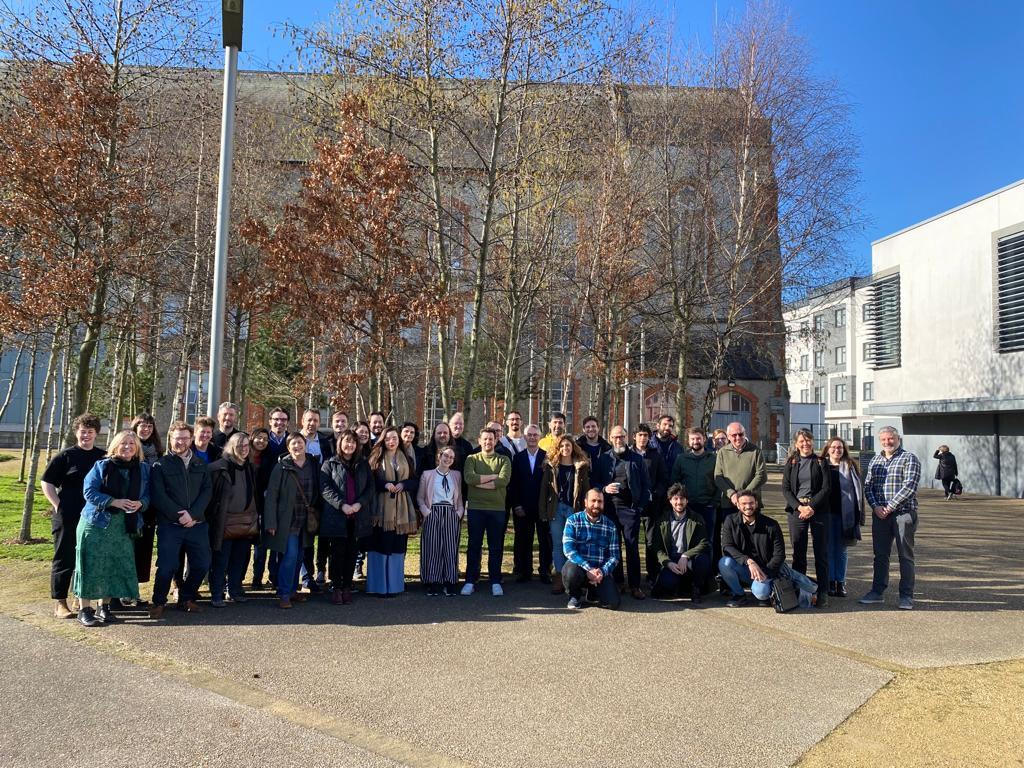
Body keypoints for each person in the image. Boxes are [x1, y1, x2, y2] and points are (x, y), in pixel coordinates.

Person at [73, 430, 150, 627]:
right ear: (115, 446)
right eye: (123, 443)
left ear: (137, 448)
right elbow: (88, 491)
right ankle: (84, 609)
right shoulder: (102, 466)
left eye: (132, 444)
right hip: (96, 523)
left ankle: (104, 607)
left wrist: (141, 503)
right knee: (90, 565)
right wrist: (113, 501)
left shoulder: (142, 469)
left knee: (112, 566)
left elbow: (149, 494)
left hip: (123, 527)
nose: (127, 447)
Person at [41, 414, 105, 619]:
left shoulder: (103, 457)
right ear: (76, 432)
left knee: (87, 558)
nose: (86, 435)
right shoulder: (65, 456)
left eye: (90, 431)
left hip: (93, 517)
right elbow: (47, 482)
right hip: (68, 515)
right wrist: (58, 505)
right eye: (82, 431)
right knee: (65, 557)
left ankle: (81, 597)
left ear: (96, 434)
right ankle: (60, 603)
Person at [149, 421, 213, 619]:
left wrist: (193, 515)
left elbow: (207, 491)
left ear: (191, 439)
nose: (181, 442)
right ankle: (159, 602)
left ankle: (186, 599)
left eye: (185, 438)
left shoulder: (200, 464)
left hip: (197, 525)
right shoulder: (160, 465)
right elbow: (159, 496)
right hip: (171, 525)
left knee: (202, 564)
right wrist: (180, 514)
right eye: (178, 438)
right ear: (171, 439)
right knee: (167, 566)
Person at [860, 426, 921, 610]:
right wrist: (876, 507)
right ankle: (877, 592)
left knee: (905, 556)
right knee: (880, 556)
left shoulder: (909, 459)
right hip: (880, 515)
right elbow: (868, 486)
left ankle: (906, 596)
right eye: (884, 440)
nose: (888, 442)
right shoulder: (875, 460)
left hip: (903, 514)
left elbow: (909, 486)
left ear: (898, 439)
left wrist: (890, 507)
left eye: (891, 439)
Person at [592, 425, 651, 599]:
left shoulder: (636, 459)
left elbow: (646, 485)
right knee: (613, 547)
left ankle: (635, 585)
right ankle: (617, 582)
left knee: (632, 547)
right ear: (610, 438)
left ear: (627, 438)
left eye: (622, 437)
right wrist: (604, 488)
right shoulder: (603, 459)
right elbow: (594, 482)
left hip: (629, 509)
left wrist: (639, 508)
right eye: (615, 437)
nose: (619, 440)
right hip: (609, 508)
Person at [263, 433, 321, 609]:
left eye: (300, 443)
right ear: (288, 448)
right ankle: (284, 593)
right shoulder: (281, 467)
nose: (297, 446)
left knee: (299, 558)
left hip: (306, 520)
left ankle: (293, 590)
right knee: (289, 556)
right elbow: (271, 496)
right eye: (293, 444)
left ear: (305, 445)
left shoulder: (313, 465)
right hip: (287, 520)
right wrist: (271, 522)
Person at [320, 429, 374, 605]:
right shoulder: (330, 463)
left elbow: (370, 488)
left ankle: (346, 586)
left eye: (353, 442)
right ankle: (336, 587)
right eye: (346, 441)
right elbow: (325, 488)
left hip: (357, 517)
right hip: (337, 516)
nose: (349, 445)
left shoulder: (363, 464)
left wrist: (359, 504)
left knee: (352, 553)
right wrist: (342, 505)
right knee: (337, 554)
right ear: (340, 443)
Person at [781, 429, 832, 608]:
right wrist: (799, 507)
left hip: (818, 511)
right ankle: (800, 590)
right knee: (799, 553)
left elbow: (826, 488)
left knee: (821, 553)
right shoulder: (791, 462)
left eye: (808, 440)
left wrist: (811, 507)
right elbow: (786, 489)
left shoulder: (821, 462)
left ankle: (823, 591)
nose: (805, 444)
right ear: (796, 444)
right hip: (797, 511)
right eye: (802, 441)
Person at [206, 432, 258, 607]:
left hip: (245, 523)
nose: (243, 449)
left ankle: (234, 590)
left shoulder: (251, 467)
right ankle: (216, 593)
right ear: (231, 447)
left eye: (246, 446)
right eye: (239, 446)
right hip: (224, 522)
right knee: (221, 560)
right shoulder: (218, 468)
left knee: (239, 559)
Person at [367, 426, 419, 596]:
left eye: (394, 438)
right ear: (383, 439)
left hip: (402, 509)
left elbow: (414, 481)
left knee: (398, 546)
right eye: (388, 438)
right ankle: (379, 587)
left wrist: (403, 485)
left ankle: (395, 586)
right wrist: (384, 485)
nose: (391, 441)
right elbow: (369, 481)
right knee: (381, 545)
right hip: (381, 510)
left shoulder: (406, 458)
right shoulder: (375, 457)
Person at [461, 428, 512, 596]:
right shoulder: (471, 459)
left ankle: (495, 581)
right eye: (485, 439)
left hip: (497, 509)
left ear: (496, 440)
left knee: (495, 547)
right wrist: (492, 477)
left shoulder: (504, 460)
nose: (488, 442)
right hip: (476, 508)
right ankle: (470, 581)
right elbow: (469, 478)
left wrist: (479, 482)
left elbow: (503, 481)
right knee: (474, 545)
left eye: (491, 439)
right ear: (479, 440)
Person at [719, 491, 785, 607]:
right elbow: (727, 546)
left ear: (757, 503)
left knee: (760, 593)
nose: (748, 506)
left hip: (765, 570)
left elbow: (779, 555)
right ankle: (739, 595)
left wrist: (766, 573)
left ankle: (765, 590)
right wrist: (748, 561)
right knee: (724, 563)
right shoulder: (730, 521)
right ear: (738, 505)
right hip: (745, 567)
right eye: (744, 503)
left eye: (751, 503)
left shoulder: (771, 525)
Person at [649, 483, 711, 602]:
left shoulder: (696, 518)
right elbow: (656, 547)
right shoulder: (662, 520)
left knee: (703, 559)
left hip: (690, 559)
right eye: (675, 499)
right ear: (670, 501)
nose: (679, 502)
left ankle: (696, 588)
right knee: (668, 583)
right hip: (672, 559)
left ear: (687, 501)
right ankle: (681, 585)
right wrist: (667, 563)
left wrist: (686, 555)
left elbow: (704, 543)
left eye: (682, 498)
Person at [416, 446, 465, 596]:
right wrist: (426, 512)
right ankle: (433, 581)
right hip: (433, 512)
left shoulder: (456, 475)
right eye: (446, 456)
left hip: (450, 512)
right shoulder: (428, 474)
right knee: (432, 548)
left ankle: (450, 581)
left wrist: (459, 513)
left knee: (450, 548)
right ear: (439, 456)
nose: (448, 459)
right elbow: (420, 497)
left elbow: (460, 498)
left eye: (451, 457)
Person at [561, 489, 621, 610]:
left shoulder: (610, 526)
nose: (596, 505)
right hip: (580, 569)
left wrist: (602, 572)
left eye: (600, 501)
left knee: (613, 603)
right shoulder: (573, 520)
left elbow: (614, 556)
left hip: (600, 573)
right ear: (585, 502)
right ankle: (575, 596)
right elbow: (568, 549)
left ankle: (593, 593)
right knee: (570, 570)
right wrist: (589, 569)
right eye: (593, 501)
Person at [508, 424, 552, 584]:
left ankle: (545, 571)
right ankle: (524, 571)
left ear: (539, 437)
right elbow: (513, 484)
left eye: (535, 435)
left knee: (545, 540)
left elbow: (550, 485)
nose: (532, 438)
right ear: (525, 437)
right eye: (529, 435)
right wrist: (517, 505)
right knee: (523, 540)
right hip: (523, 507)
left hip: (542, 508)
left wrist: (548, 507)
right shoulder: (518, 458)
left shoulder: (547, 457)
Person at [821, 437, 864, 598]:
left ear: (844, 450)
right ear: (828, 448)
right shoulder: (821, 465)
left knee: (842, 550)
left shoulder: (850, 466)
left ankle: (840, 582)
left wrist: (860, 517)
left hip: (845, 515)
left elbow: (859, 493)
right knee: (829, 549)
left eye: (840, 448)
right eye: (833, 447)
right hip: (826, 514)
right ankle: (830, 581)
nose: (836, 450)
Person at [671, 427, 718, 572]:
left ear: (704, 439)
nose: (695, 441)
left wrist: (713, 502)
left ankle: (707, 575)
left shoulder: (713, 459)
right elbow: (675, 482)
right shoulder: (682, 459)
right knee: (687, 541)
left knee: (707, 541)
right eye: (692, 439)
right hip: (688, 507)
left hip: (707, 506)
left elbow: (719, 482)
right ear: (688, 441)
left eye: (698, 438)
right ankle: (689, 574)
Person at [633, 423, 668, 583]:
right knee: (632, 540)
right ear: (634, 437)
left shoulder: (656, 455)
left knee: (651, 540)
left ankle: (652, 574)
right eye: (640, 435)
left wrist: (656, 494)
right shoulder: (628, 454)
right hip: (632, 504)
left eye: (646, 435)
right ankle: (634, 577)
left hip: (652, 504)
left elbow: (663, 479)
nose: (643, 438)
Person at [248, 427, 274, 590]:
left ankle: (257, 578)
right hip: (243, 506)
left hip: (262, 505)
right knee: (242, 545)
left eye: (265, 439)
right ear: (252, 438)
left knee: (261, 545)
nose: (262, 441)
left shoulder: (269, 458)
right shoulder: (244, 455)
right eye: (259, 438)